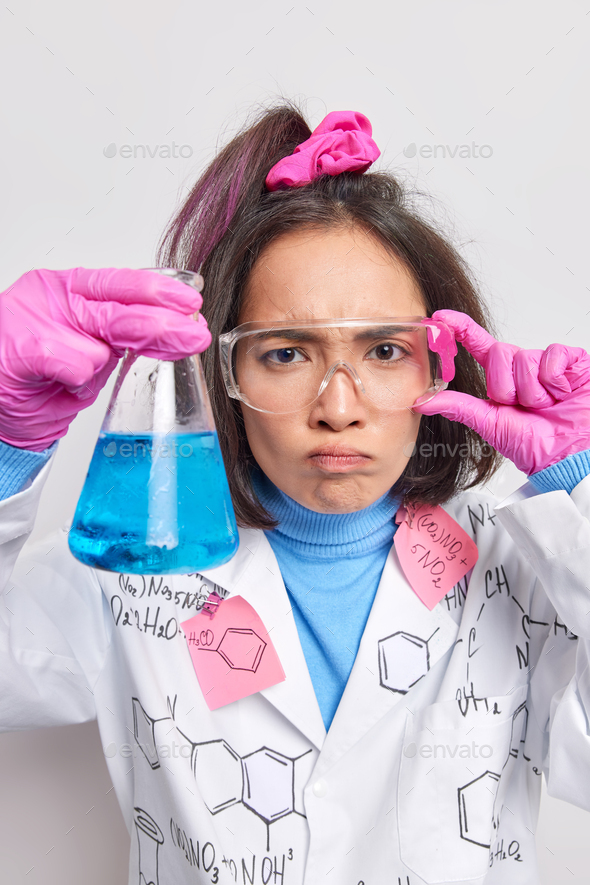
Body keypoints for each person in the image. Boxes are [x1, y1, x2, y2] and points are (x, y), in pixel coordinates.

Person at [1, 101, 590, 885]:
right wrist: (8, 447)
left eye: (384, 349)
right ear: (222, 372)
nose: (338, 406)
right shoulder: (140, 553)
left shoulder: (525, 564)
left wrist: (581, 484)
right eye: (285, 353)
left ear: (440, 361)